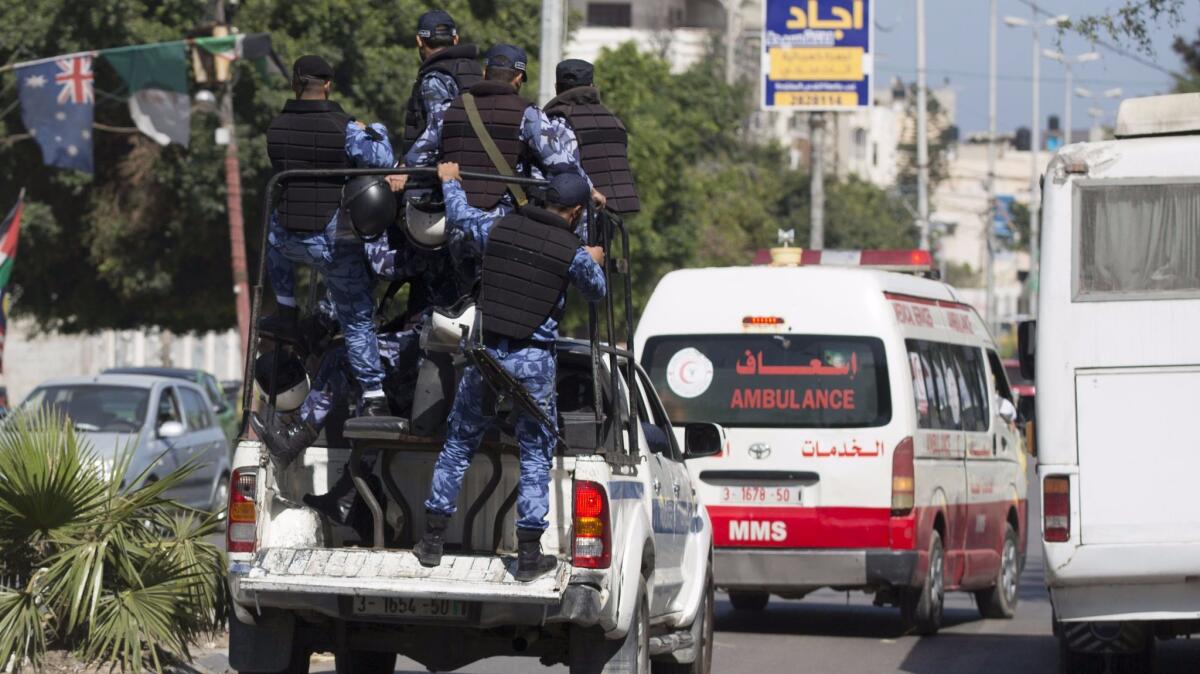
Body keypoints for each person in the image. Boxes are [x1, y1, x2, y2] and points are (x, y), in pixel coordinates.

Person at [414, 165, 606, 582]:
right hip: (533, 361)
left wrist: (451, 182)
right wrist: (593, 258)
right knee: (535, 452)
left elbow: (461, 221)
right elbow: (597, 291)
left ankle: (431, 542)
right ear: (574, 212)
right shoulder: (571, 252)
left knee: (460, 442)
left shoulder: (499, 227)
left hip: (486, 354)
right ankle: (529, 556)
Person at [261, 55, 394, 417]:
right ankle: (373, 394)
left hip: (289, 238)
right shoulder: (346, 128)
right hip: (332, 243)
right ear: (328, 85)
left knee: (270, 229)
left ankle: (286, 308)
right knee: (356, 317)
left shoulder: (276, 128)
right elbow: (382, 159)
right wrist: (376, 129)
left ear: (294, 83)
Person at [436, 44, 604, 220]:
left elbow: (422, 153)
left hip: (455, 215)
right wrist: (590, 190)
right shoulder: (528, 113)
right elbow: (560, 162)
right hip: (502, 222)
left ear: (485, 73)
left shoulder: (450, 107)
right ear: (518, 77)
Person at [544, 58, 641, 215]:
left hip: (568, 219)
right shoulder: (614, 122)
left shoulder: (556, 122)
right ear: (592, 86)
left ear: (556, 88)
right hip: (606, 220)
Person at [394, 10, 483, 174]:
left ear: (419, 40)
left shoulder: (435, 78)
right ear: (455, 39)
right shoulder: (477, 72)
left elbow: (439, 128)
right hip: (477, 170)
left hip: (441, 177)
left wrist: (407, 166)